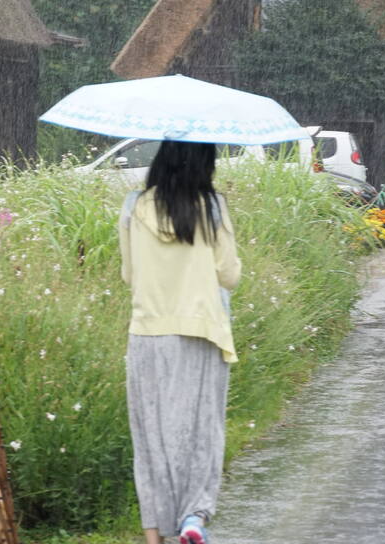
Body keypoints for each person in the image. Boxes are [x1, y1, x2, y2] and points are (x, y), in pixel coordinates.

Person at [117, 140, 241, 544]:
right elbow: (229, 275)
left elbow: (129, 275)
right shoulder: (212, 206)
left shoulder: (134, 206)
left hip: (149, 332)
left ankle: (154, 534)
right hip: (203, 331)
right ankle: (193, 518)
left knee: (151, 436)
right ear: (205, 163)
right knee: (202, 429)